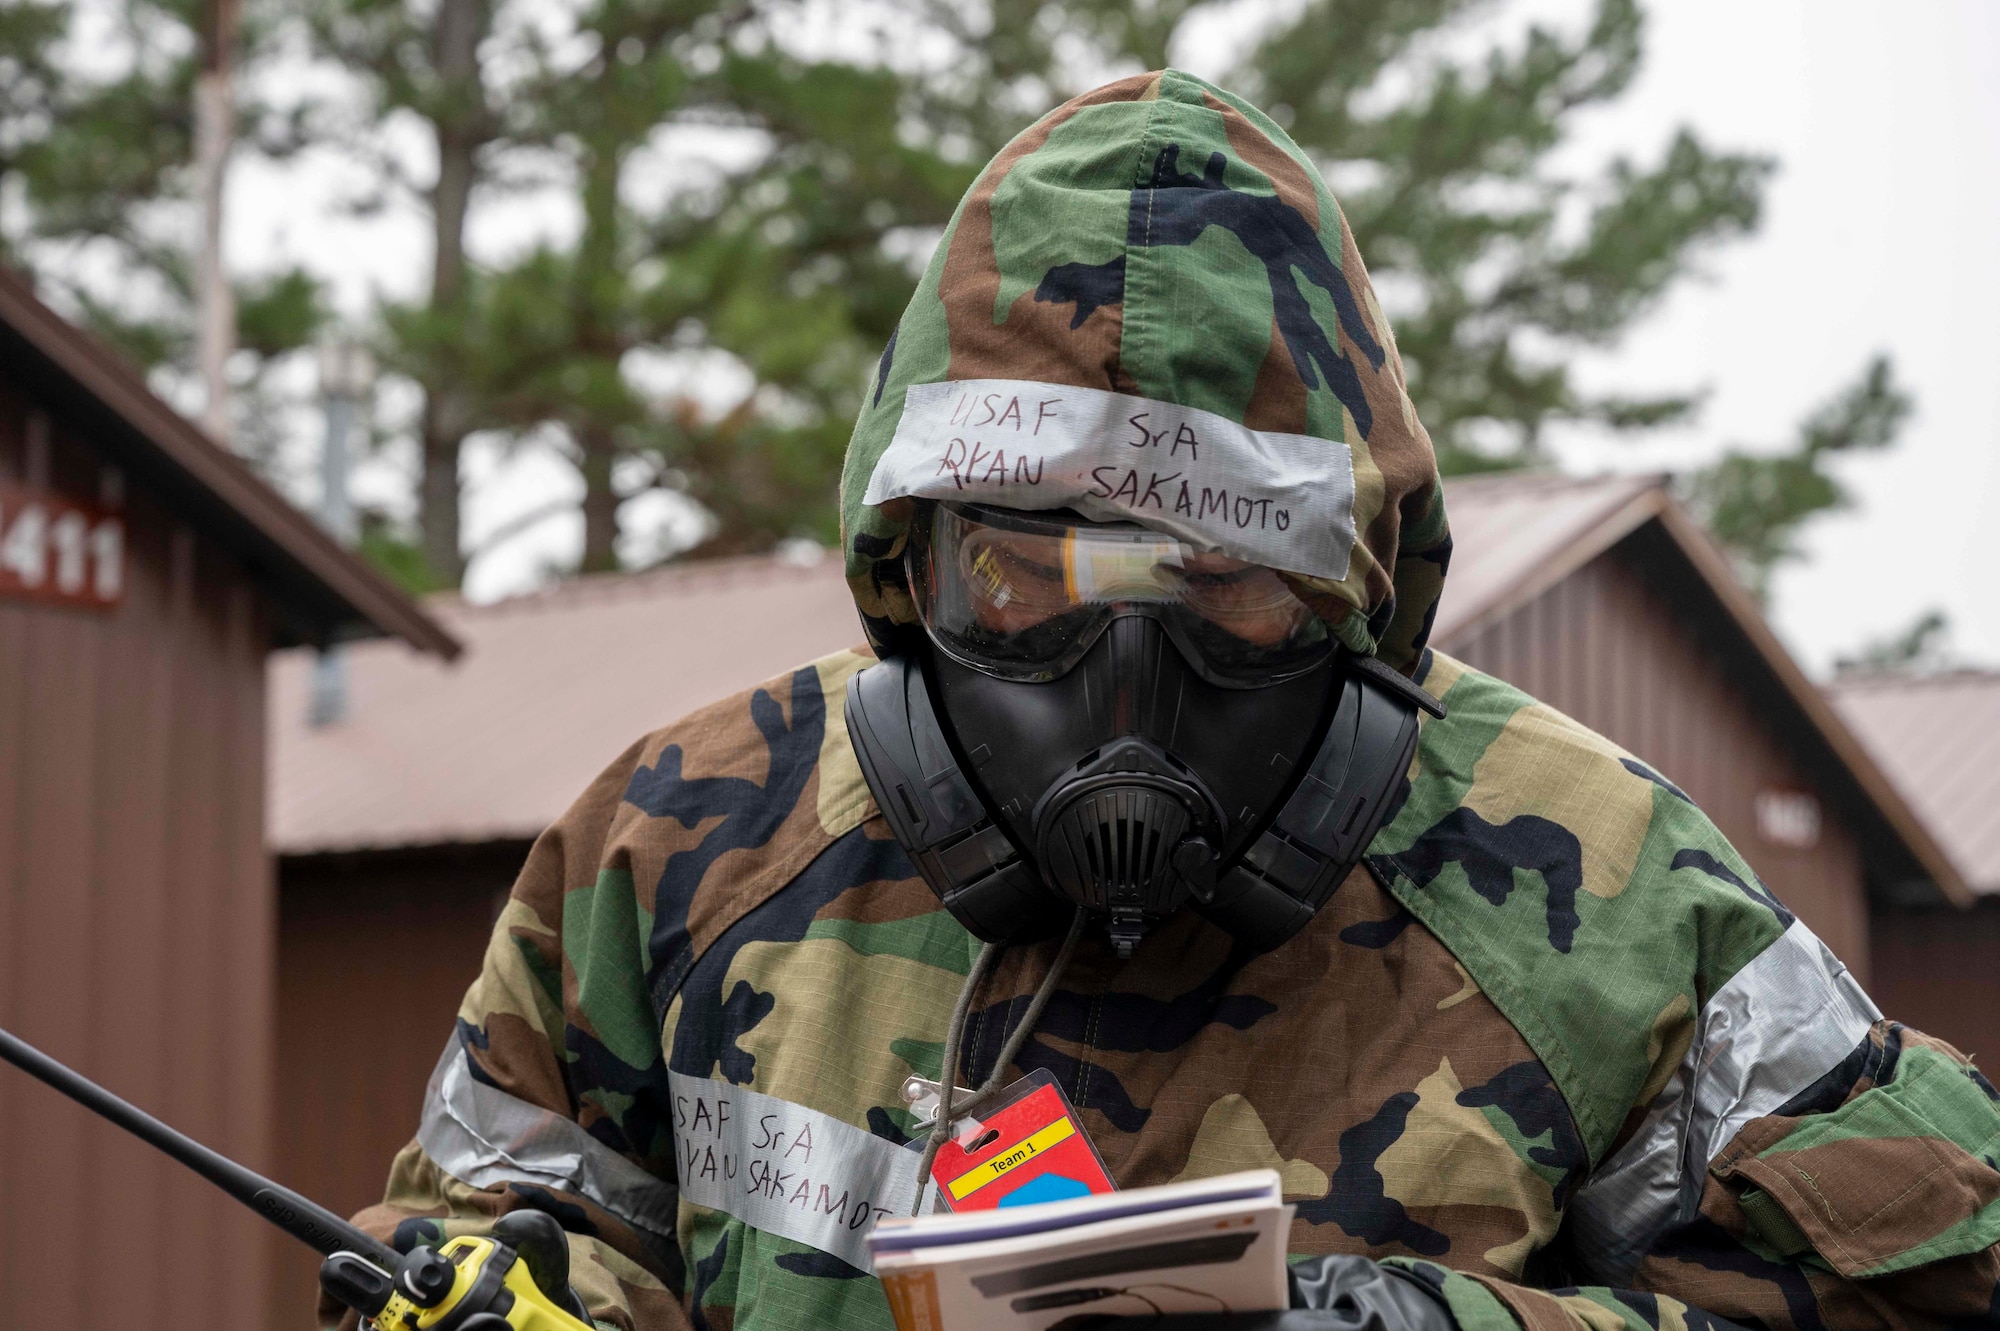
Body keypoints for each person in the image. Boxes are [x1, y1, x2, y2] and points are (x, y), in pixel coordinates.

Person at [333, 70, 2000, 1331]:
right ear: (909, 563)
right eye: (1031, 575)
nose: (1124, 676)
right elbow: (503, 1218)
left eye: (1228, 580)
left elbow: (1927, 1291)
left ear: (1366, 593)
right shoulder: (683, 846)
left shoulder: (1603, 889)